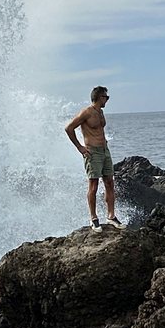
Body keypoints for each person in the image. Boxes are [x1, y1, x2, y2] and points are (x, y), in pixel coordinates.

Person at [65, 86, 124, 232]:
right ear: (99, 97)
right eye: (106, 97)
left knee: (109, 182)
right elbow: (69, 128)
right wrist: (80, 147)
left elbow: (99, 131)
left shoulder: (100, 112)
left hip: (105, 151)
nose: (107, 100)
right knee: (93, 186)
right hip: (92, 152)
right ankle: (93, 218)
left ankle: (111, 216)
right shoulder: (86, 112)